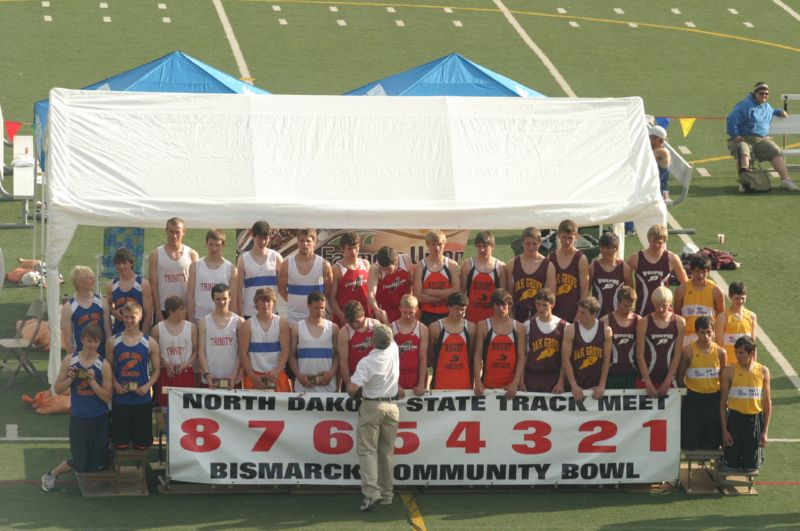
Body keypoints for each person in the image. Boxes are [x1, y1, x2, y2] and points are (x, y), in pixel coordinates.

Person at [41, 324, 113, 492]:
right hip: (79, 417)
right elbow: (57, 389)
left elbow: (107, 397)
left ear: (99, 343)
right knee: (80, 461)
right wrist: (70, 380)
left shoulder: (104, 365)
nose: (91, 345)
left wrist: (92, 382)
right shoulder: (70, 360)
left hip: (100, 417)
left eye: (95, 342)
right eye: (88, 341)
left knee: (98, 462)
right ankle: (51, 474)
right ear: (82, 340)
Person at [346, 324, 400, 511]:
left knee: (368, 451)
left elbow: (352, 388)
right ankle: (387, 495)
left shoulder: (367, 362)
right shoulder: (394, 349)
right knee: (386, 453)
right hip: (392, 406)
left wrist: (352, 392)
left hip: (372, 405)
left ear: (373, 341)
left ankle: (372, 494)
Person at [727, 81, 799, 192]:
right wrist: (735, 135)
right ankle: (745, 182)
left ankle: (785, 180)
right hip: (743, 138)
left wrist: (779, 111)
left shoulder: (766, 106)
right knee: (743, 152)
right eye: (761, 93)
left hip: (761, 139)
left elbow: (771, 111)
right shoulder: (745, 105)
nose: (764, 96)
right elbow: (731, 119)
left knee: (775, 150)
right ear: (754, 93)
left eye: (766, 94)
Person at [107, 302, 160, 450]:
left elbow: (156, 371)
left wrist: (147, 386)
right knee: (121, 444)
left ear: (140, 317)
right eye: (126, 317)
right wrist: (115, 384)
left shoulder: (150, 342)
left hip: (141, 399)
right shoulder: (113, 341)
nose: (129, 321)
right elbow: (108, 368)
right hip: (121, 399)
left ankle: (140, 471)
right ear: (121, 317)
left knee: (142, 446)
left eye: (133, 317)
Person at [720, 337, 772, 472]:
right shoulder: (729, 371)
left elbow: (767, 403)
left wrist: (765, 431)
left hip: (754, 421)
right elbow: (722, 402)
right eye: (736, 352)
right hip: (734, 420)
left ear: (751, 353)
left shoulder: (763, 371)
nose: (737, 356)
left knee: (751, 469)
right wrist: (725, 431)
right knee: (729, 468)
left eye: (741, 353)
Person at [678, 316, 726, 450]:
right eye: (702, 332)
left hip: (713, 398)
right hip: (693, 398)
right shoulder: (688, 351)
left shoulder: (721, 353)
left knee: (712, 437)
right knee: (691, 437)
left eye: (709, 332)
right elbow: (680, 376)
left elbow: (722, 378)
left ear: (714, 332)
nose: (706, 336)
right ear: (696, 333)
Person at [237, 287, 292, 391]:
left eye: (268, 301)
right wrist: (252, 376)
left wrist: (277, 371)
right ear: (256, 302)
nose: (266, 304)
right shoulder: (247, 325)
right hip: (254, 376)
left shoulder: (282, 323)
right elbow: (243, 353)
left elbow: (286, 350)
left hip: (277, 375)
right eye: (262, 301)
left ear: (274, 303)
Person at [472, 289, 524, 398]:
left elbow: (521, 357)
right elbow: (477, 356)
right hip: (487, 385)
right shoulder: (483, 325)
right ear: (492, 305)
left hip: (510, 387)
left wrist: (515, 383)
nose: (500, 308)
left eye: (504, 305)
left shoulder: (519, 327)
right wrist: (477, 381)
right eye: (497, 305)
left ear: (509, 305)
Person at [635, 286, 686, 398]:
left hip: (667, 378)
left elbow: (677, 354)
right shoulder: (644, 322)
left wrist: (668, 381)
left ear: (670, 303)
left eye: (664, 305)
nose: (661, 309)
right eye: (657, 305)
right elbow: (639, 355)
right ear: (653, 304)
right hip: (646, 377)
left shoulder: (679, 322)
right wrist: (648, 383)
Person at [626, 224, 688, 316]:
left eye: (660, 242)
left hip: (664, 312)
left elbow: (686, 284)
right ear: (648, 239)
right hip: (642, 311)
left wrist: (678, 305)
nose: (656, 245)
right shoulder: (635, 258)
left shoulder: (672, 258)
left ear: (665, 242)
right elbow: (625, 280)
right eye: (653, 241)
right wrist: (631, 297)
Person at [561, 297, 612, 401]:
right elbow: (565, 358)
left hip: (595, 385)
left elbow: (607, 359)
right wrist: (573, 385)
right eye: (579, 311)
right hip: (575, 385)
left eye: (583, 313)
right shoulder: (570, 329)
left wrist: (601, 385)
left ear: (593, 314)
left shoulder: (606, 330)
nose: (579, 315)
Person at [278, 228, 333, 325]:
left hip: (317, 317)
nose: (305, 244)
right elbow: (281, 290)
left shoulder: (324, 265)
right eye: (302, 240)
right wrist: (294, 302)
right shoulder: (286, 264)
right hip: (294, 317)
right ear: (297, 243)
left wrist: (317, 306)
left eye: (308, 241)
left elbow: (328, 290)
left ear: (314, 243)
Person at [148, 217, 199, 322]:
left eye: (177, 232)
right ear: (166, 231)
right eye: (171, 232)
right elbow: (153, 285)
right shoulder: (155, 255)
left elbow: (195, 286)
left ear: (184, 232)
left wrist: (191, 311)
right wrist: (157, 311)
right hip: (164, 309)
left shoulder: (192, 254)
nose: (174, 236)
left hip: (184, 309)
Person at [151, 295, 198, 407]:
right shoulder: (157, 329)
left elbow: (196, 351)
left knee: (187, 407)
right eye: (181, 309)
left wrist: (186, 364)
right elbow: (154, 354)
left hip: (186, 371)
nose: (185, 311)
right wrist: (165, 364)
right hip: (166, 373)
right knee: (164, 407)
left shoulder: (191, 327)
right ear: (171, 311)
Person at [289, 291, 339, 393]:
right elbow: (291, 356)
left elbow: (338, 355)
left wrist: (331, 373)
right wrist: (299, 376)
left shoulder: (333, 328)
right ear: (308, 305)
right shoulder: (297, 328)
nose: (320, 311)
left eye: (322, 308)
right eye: (316, 308)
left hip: (327, 386)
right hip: (303, 386)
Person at [234, 221, 283, 319]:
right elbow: (238, 289)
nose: (263, 242)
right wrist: (240, 313)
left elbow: (288, 280)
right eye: (260, 238)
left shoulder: (276, 257)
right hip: (250, 312)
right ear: (253, 236)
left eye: (266, 238)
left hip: (271, 312)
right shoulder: (243, 259)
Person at [198, 284, 243, 389]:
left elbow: (241, 352)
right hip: (210, 380)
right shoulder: (204, 322)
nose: (222, 302)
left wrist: (234, 375)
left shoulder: (239, 321)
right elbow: (201, 351)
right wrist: (207, 374)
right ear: (213, 299)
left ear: (230, 298)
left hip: (232, 380)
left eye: (225, 298)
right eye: (218, 299)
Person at [507, 227, 556, 323]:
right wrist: (510, 314)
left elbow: (552, 297)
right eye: (528, 243)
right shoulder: (513, 263)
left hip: (539, 314)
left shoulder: (548, 266)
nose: (531, 247)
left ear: (540, 243)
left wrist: (535, 318)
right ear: (522, 243)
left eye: (534, 244)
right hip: (517, 313)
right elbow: (509, 293)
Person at [428, 292, 475, 390]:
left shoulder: (471, 327)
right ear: (449, 307)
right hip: (441, 382)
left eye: (463, 309)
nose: (460, 312)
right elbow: (430, 355)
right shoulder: (435, 327)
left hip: (463, 382)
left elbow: (470, 355)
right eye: (456, 308)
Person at [674, 254, 724, 345]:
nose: (700, 275)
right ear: (691, 270)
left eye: (704, 272)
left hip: (708, 337)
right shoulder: (681, 290)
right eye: (697, 271)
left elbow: (720, 319)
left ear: (709, 272)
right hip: (686, 337)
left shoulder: (716, 291)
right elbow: (677, 317)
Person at [187, 229, 236, 323]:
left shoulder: (231, 269)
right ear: (206, 244)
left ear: (223, 245)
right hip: (199, 317)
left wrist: (232, 320)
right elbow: (190, 295)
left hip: (222, 318)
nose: (214, 249)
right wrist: (191, 318)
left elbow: (233, 298)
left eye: (217, 245)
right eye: (211, 244)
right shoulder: (195, 266)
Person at [413, 229, 460, 326]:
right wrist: (445, 297)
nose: (437, 248)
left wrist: (432, 292)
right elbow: (418, 296)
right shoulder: (420, 266)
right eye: (433, 244)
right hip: (427, 314)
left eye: (440, 244)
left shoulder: (452, 265)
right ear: (428, 245)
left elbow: (456, 291)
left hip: (448, 314)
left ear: (444, 244)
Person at [523, 288, 566, 393]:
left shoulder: (564, 326)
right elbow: (523, 356)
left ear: (552, 305)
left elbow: (565, 359)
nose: (540, 308)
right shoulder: (527, 326)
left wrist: (561, 382)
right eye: (538, 304)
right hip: (532, 376)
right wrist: (521, 379)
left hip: (553, 377)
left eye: (544, 305)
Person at [104, 247, 153, 338]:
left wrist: (142, 337)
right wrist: (114, 312)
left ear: (131, 263)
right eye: (118, 263)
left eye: (124, 263)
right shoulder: (111, 285)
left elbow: (148, 314)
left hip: (138, 331)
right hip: (119, 332)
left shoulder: (143, 284)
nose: (121, 267)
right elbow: (106, 306)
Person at [460, 231, 507, 324]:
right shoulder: (468, 264)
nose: (482, 249)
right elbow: (461, 291)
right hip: (471, 317)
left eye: (485, 246)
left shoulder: (500, 267)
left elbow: (504, 296)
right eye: (479, 246)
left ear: (492, 246)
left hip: (493, 319)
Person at [548, 220, 589, 323]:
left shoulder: (581, 258)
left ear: (576, 237)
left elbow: (585, 290)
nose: (566, 241)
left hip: (574, 311)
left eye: (570, 238)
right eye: (564, 237)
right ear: (558, 236)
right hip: (554, 311)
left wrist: (580, 313)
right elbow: (547, 288)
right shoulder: (551, 258)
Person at [600, 286, 640, 390]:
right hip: (612, 373)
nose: (628, 309)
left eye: (631, 307)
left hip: (632, 372)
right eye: (625, 306)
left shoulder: (639, 321)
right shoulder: (606, 320)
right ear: (618, 302)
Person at [62, 266, 106, 357]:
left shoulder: (101, 302)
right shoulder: (68, 307)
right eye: (90, 278)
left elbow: (108, 332)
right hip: (80, 355)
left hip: (101, 354)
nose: (93, 280)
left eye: (93, 277)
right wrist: (74, 360)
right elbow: (67, 339)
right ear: (80, 282)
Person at [330, 232, 371, 326]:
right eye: (349, 249)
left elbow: (371, 292)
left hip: (364, 317)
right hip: (346, 319)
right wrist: (341, 316)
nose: (353, 252)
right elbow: (332, 298)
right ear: (342, 248)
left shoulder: (365, 264)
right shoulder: (337, 269)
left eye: (355, 248)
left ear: (359, 247)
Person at [391, 294, 428, 396]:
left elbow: (423, 358)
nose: (408, 316)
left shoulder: (422, 329)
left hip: (415, 375)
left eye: (411, 313)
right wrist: (394, 384)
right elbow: (389, 359)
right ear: (400, 309)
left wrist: (421, 384)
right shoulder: (392, 328)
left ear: (416, 309)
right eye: (405, 312)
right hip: (397, 376)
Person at [337, 301, 380, 388]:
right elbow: (343, 361)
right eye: (351, 322)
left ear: (363, 313)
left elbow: (382, 354)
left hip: (374, 377)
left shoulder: (375, 325)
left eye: (357, 321)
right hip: (355, 379)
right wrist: (349, 384)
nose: (355, 325)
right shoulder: (344, 332)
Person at [589, 232, 633, 318]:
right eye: (602, 248)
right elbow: (586, 291)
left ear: (616, 248)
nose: (605, 251)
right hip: (597, 316)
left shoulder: (624, 267)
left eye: (608, 248)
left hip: (618, 316)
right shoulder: (593, 267)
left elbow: (631, 293)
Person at [368, 246, 413, 325]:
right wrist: (377, 310)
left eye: (389, 268)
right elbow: (371, 294)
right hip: (385, 312)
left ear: (395, 261)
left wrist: (412, 305)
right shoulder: (375, 268)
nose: (386, 271)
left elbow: (410, 283)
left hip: (403, 310)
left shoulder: (405, 260)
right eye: (383, 269)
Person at [715, 281, 757, 366]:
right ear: (730, 297)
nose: (740, 301)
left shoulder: (752, 317)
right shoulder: (722, 317)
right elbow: (718, 345)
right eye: (737, 298)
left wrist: (754, 364)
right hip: (728, 365)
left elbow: (753, 344)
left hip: (746, 365)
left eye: (743, 298)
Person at [649, 125, 672, 199]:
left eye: (650, 137)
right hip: (656, 188)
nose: (648, 139)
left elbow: (643, 157)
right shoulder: (658, 150)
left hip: (659, 192)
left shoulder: (661, 151)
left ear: (657, 139)